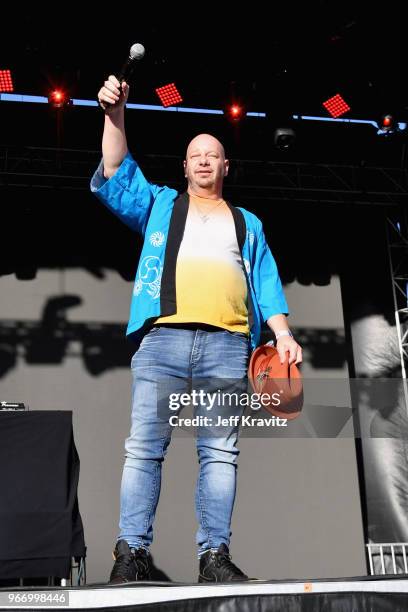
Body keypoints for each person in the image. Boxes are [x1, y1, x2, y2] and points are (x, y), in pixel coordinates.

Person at [91, 75, 302, 584]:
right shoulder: (162, 204)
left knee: (220, 454)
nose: (205, 160)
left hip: (228, 348)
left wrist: (283, 333)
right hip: (162, 340)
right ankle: (131, 554)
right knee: (144, 448)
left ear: (226, 166)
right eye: (196, 154)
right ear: (185, 166)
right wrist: (113, 114)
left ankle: (214, 558)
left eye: (214, 154)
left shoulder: (248, 223)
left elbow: (268, 283)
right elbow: (116, 168)